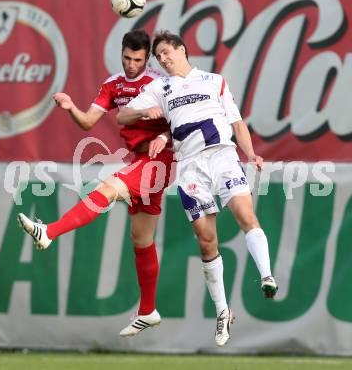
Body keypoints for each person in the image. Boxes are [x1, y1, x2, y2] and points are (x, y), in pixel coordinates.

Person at [117, 31, 278, 347]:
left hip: (222, 156)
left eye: (166, 52)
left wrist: (250, 153)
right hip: (191, 167)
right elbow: (123, 115)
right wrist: (141, 111)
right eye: (158, 56)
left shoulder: (213, 80)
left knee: (246, 214)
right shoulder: (159, 88)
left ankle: (267, 276)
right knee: (207, 243)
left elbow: (237, 123)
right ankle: (222, 311)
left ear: (181, 49)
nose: (162, 59)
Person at [17, 29, 174, 337]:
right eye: (127, 58)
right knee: (141, 240)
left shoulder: (160, 83)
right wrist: (71, 108)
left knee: (106, 189)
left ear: (147, 58)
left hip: (162, 159)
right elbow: (89, 121)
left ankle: (49, 231)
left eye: (138, 59)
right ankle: (148, 310)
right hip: (139, 161)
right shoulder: (113, 84)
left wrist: (162, 134)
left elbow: (181, 122)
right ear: (122, 53)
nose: (131, 65)